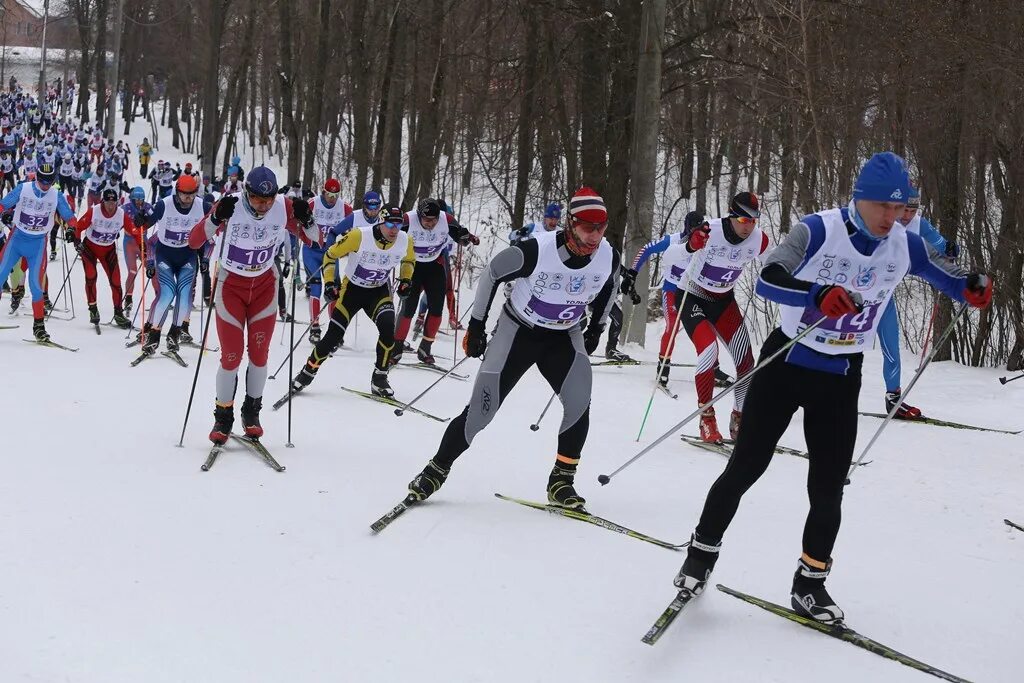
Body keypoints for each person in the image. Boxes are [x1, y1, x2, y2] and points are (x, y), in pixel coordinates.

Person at [671, 152, 993, 624]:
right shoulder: (818, 230)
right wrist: (815, 293)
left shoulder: (905, 244)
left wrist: (973, 288)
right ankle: (699, 555)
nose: (891, 216)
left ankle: (810, 584)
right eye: (883, 205)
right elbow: (768, 277)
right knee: (746, 466)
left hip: (841, 375)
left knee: (828, 487)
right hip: (786, 363)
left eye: (899, 207)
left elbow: (951, 280)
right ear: (859, 199)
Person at [403, 187, 620, 510]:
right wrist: (476, 325)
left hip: (563, 336)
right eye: (588, 228)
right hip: (518, 332)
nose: (595, 237)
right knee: (481, 412)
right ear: (571, 224)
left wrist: (597, 327)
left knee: (578, 403)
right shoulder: (537, 250)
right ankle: (435, 470)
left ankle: (562, 481)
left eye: (601, 229)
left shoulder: (607, 255)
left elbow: (610, 284)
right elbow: (492, 273)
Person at [188, 166, 318, 443]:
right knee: (231, 356)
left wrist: (307, 219)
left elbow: (315, 239)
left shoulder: (283, 207)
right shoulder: (232, 204)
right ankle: (223, 417)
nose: (263, 206)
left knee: (259, 355)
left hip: (264, 288)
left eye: (268, 201)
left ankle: (252, 412)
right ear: (247, 192)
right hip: (230, 287)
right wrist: (216, 217)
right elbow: (194, 240)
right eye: (258, 200)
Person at [668, 192, 769, 443]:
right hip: (691, 296)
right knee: (709, 351)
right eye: (744, 221)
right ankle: (707, 418)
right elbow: (671, 256)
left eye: (754, 221)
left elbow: (779, 265)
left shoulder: (758, 240)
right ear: (731, 215)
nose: (749, 227)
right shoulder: (709, 230)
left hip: (723, 301)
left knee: (746, 361)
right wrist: (691, 245)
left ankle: (739, 417)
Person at [288, 203, 414, 399]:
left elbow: (408, 260)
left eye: (398, 225)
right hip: (352, 291)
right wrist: (330, 283)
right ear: (381, 221)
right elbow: (330, 255)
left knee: (389, 329)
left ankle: (379, 378)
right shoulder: (359, 236)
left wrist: (406, 280)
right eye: (390, 225)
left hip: (378, 291)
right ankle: (307, 372)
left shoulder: (405, 240)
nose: (394, 230)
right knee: (333, 336)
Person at [876, 185, 959, 419]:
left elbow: (940, 244)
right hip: (856, 291)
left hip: (884, 296)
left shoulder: (919, 224)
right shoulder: (879, 218)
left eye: (912, 210)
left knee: (891, 346)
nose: (907, 216)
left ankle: (893, 398)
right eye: (904, 210)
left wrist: (950, 247)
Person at [392, 197, 478, 365]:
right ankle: (396, 349)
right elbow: (388, 233)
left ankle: (425, 349)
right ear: (419, 216)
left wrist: (466, 237)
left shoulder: (446, 219)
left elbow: (461, 236)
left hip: (434, 266)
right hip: (412, 267)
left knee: (437, 310)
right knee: (408, 309)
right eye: (427, 220)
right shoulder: (408, 220)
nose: (431, 223)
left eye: (434, 220)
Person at [0, 162, 78, 341]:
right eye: (42, 181)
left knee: (36, 286)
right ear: (36, 177)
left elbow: (69, 216)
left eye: (49, 182)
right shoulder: (24, 189)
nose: (45, 185)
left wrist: (72, 228)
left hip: (38, 244)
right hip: (17, 239)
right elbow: (4, 204)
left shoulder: (56, 195)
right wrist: (3, 212)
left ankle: (39, 327)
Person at [139, 174, 212, 355]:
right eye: (184, 194)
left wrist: (205, 258)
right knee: (168, 292)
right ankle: (154, 334)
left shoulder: (202, 206)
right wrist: (141, 220)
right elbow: (146, 223)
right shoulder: (164, 204)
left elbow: (216, 222)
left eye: (191, 194)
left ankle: (174, 332)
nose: (188, 198)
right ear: (177, 191)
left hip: (188, 255)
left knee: (185, 293)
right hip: (166, 255)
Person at [68, 188, 135, 328]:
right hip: (90, 248)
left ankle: (118, 313)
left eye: (114, 203)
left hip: (108, 250)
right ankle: (93, 310)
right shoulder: (95, 211)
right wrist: (77, 242)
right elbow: (79, 227)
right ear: (102, 201)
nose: (111, 206)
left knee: (116, 281)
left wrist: (141, 227)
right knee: (91, 276)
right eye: (108, 203)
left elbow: (134, 230)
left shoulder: (121, 214)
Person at [302, 178, 351, 343]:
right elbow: (298, 219)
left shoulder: (343, 207)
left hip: (331, 254)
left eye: (335, 195)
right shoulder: (313, 203)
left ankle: (334, 329)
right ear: (323, 191)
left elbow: (357, 221)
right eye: (329, 194)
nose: (332, 198)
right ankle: (314, 327)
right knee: (316, 287)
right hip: (311, 252)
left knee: (334, 289)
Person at [121, 186, 152, 316]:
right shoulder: (126, 208)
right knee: (132, 271)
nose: (139, 202)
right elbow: (117, 219)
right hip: (129, 242)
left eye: (141, 199)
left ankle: (159, 297)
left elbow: (156, 217)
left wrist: (147, 219)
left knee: (152, 269)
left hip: (143, 242)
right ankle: (128, 299)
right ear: (132, 199)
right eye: (137, 199)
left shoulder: (148, 207)